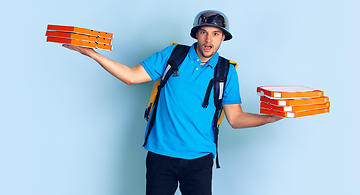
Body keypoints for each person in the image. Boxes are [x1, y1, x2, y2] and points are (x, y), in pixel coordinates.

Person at [63, 10, 282, 195]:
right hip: (161, 156)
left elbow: (236, 118)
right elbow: (131, 76)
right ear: (196, 34)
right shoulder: (174, 55)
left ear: (223, 38)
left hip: (199, 160)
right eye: (204, 32)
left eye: (216, 34)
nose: (209, 39)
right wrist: (93, 54)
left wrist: (270, 118)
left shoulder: (227, 71)